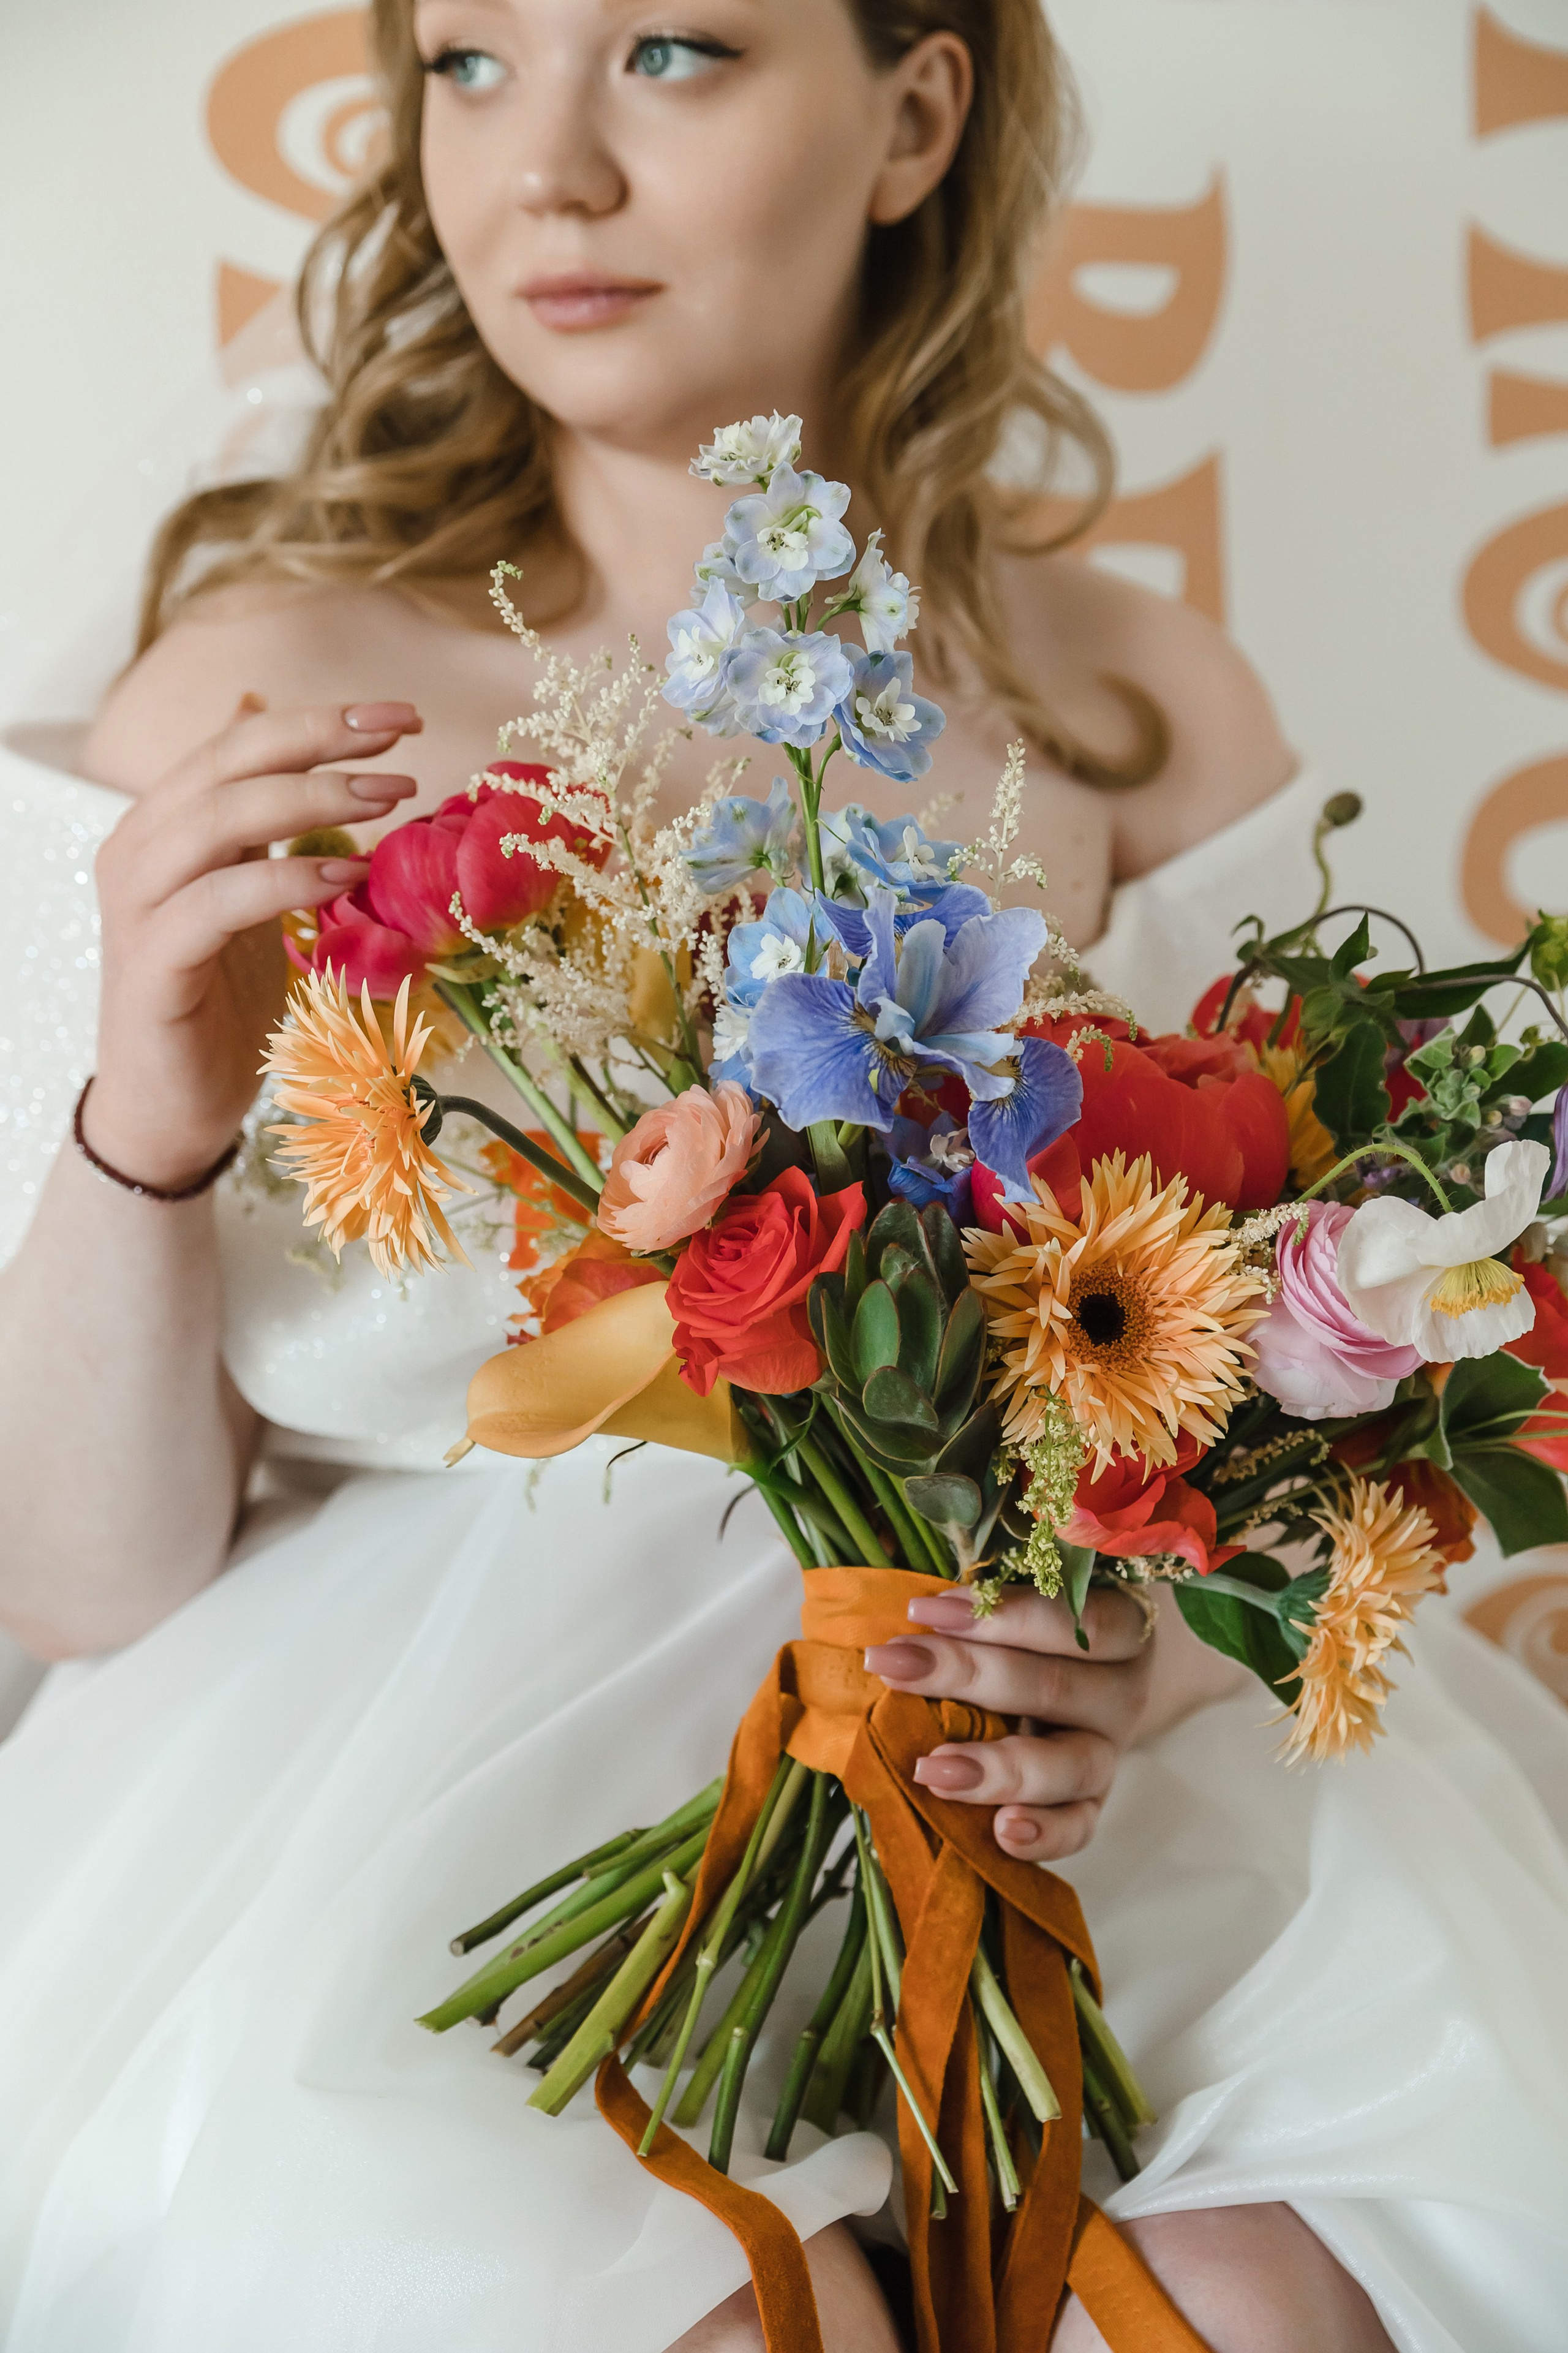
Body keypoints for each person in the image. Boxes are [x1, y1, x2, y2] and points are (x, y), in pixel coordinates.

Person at [0, 2, 1562, 2348]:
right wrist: (148, 1113)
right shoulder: (255, 701)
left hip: (1051, 1795)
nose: (546, 169)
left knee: (1278, 2293)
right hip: (417, 1830)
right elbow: (77, 1580)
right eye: (468, 63)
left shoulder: (1132, 713)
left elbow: (1284, 1406)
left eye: (671, 50)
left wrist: (1132, 1667)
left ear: (916, 113)